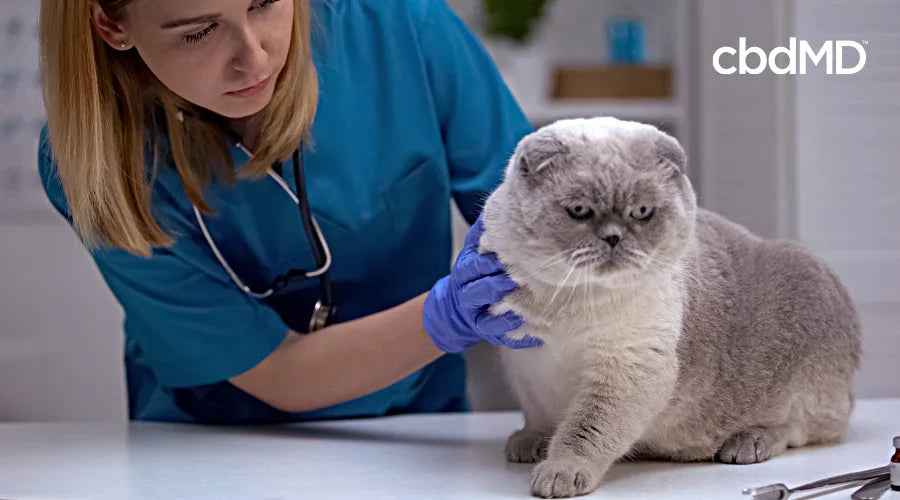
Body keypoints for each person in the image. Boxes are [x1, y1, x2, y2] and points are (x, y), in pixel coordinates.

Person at [37, 0, 542, 424]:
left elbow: (540, 214)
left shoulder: (399, 27)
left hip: (415, 430)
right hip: (206, 452)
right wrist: (447, 315)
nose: (254, 60)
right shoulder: (94, 160)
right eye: (200, 32)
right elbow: (273, 371)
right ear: (111, 24)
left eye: (264, 3)